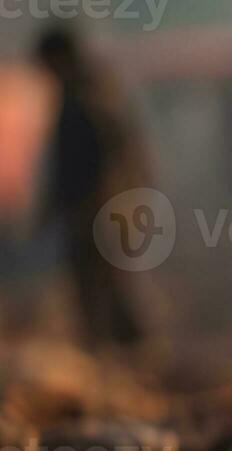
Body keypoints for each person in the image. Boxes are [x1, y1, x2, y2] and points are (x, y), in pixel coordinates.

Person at [35, 28, 154, 348]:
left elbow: (85, 157)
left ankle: (120, 347)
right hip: (111, 202)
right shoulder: (96, 88)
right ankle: (124, 347)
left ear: (59, 59)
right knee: (109, 278)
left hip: (100, 204)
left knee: (100, 278)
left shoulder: (86, 95)